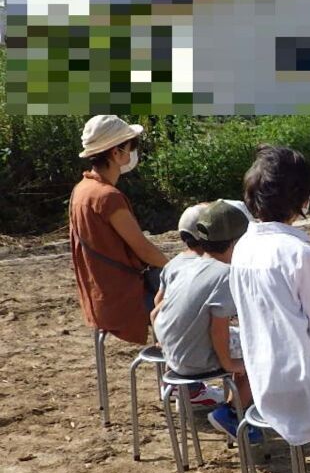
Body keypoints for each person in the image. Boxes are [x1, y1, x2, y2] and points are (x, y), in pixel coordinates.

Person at [229, 145, 310, 447]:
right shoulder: (300, 254)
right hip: (307, 388)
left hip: (263, 383)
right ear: (303, 198)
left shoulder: (242, 248)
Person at [152, 201, 252, 437]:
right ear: (237, 243)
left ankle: (234, 404)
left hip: (172, 357)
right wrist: (229, 364)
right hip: (195, 359)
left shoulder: (187, 265)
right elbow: (219, 329)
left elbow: (156, 312)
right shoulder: (225, 274)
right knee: (267, 351)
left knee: (248, 342)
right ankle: (231, 412)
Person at [70, 115, 168, 345]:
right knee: (190, 304)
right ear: (116, 153)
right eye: (131, 146)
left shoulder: (81, 190)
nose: (133, 153)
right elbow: (144, 250)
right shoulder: (107, 197)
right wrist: (177, 268)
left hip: (99, 297)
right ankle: (186, 378)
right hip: (124, 297)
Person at [150, 202, 226, 409]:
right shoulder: (210, 266)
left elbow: (159, 302)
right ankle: (206, 396)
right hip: (196, 348)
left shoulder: (173, 263)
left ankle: (179, 386)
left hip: (170, 343)